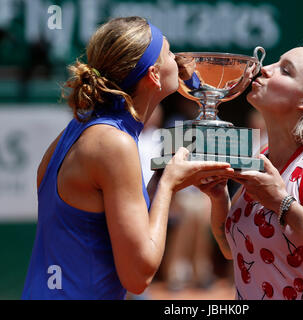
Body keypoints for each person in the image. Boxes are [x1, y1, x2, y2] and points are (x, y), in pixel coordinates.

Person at [21, 16, 233, 300]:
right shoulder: (113, 143)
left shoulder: (82, 129)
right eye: (169, 52)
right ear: (154, 75)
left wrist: (162, 177)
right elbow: (138, 276)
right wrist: (168, 184)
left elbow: (116, 227)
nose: (179, 60)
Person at [197, 43, 303, 300]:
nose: (265, 70)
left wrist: (282, 203)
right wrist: (218, 197)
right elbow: (232, 249)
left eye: (285, 70)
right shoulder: (261, 157)